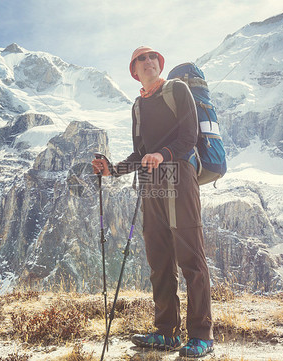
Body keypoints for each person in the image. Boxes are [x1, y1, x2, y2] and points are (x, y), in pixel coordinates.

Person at [92, 46, 213, 358]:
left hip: (179, 175)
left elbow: (189, 136)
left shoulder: (178, 89)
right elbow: (139, 152)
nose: (148, 62)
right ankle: (166, 333)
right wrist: (112, 170)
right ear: (134, 71)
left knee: (190, 258)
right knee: (159, 261)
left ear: (160, 64)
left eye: (152, 58)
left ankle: (202, 335)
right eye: (140, 59)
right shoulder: (137, 106)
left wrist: (163, 154)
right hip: (152, 182)